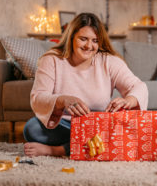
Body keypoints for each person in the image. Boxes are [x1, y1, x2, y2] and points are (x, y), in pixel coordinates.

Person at [23, 13, 148, 157]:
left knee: (125, 128)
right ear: (71, 38)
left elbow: (139, 86)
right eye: (83, 39)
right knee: (32, 128)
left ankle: (58, 151)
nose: (89, 46)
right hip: (66, 126)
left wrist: (128, 100)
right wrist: (62, 100)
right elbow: (38, 97)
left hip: (100, 126)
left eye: (95, 41)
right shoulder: (51, 60)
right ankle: (89, 147)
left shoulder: (109, 61)